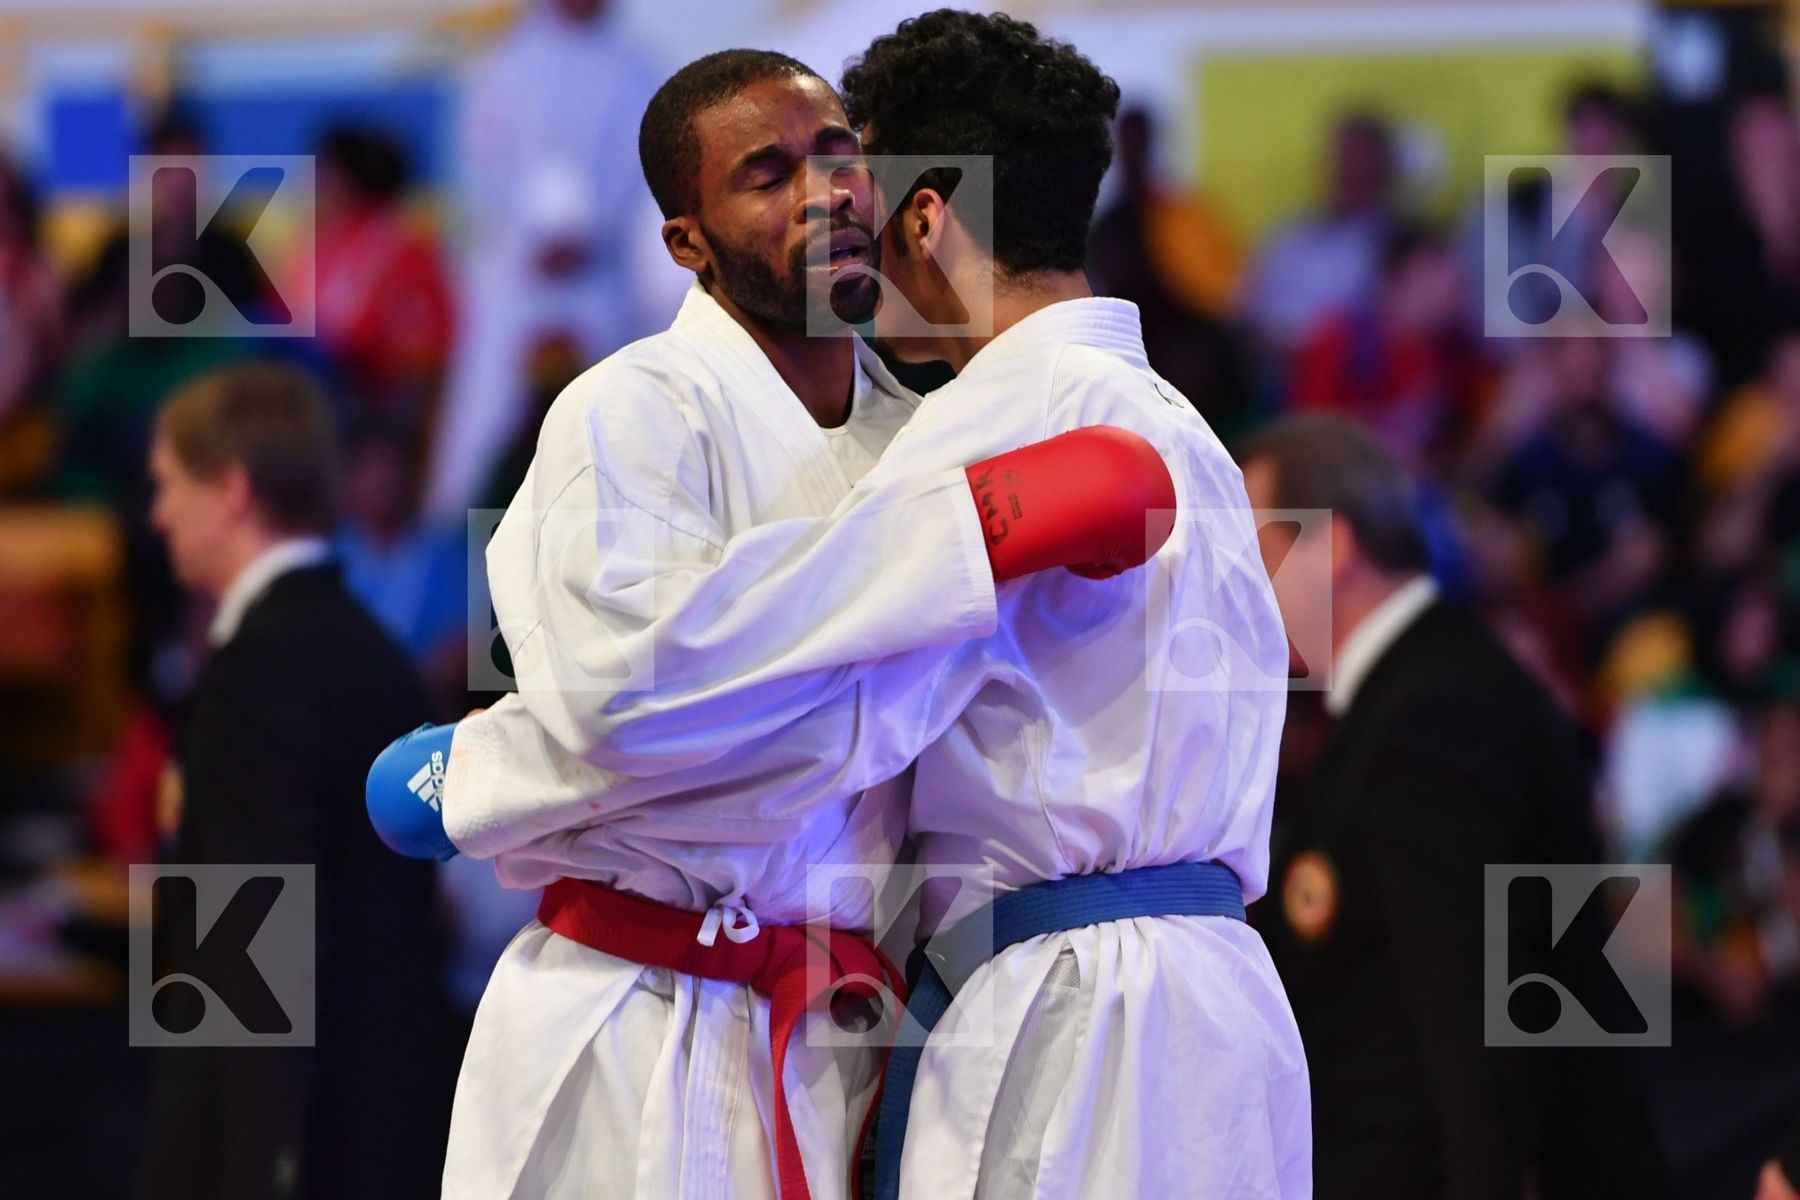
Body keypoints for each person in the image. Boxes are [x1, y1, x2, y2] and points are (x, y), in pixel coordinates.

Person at [373, 12, 1309, 1198]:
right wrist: (496, 767)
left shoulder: (950, 432)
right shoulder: (630, 413)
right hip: (638, 1008)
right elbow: (625, 699)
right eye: (771, 174)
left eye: (843, 157)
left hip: (906, 1016)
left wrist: (481, 775)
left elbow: (828, 724)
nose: (829, 192)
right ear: (687, 241)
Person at [1240, 413, 1662, 1199]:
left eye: (1255, 549)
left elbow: (1472, 1022)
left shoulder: (1432, 713)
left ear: (1330, 547)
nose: (1239, 587)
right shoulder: (1434, 688)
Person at [138, 362, 454, 1199]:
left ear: (232, 490)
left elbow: (247, 982)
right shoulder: (379, 656)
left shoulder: (254, 674)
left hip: (291, 1152)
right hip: (387, 1133)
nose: (158, 514)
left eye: (169, 484)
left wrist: (251, 1172)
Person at [424, 0, 681, 520]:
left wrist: (593, 232)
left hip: (601, 276)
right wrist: (532, 235)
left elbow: (646, 171)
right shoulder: (501, 66)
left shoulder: (635, 69)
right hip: (518, 278)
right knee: (489, 418)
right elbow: (481, 167)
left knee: (620, 416)